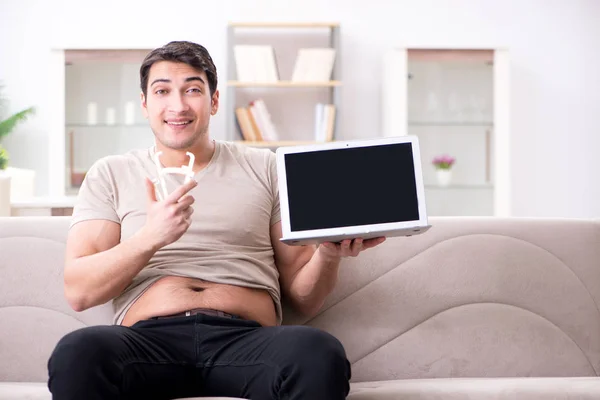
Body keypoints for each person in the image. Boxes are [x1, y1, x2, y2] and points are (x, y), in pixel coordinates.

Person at [47, 40, 386, 400]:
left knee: (318, 352)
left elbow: (304, 299)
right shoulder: (111, 173)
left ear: (214, 100)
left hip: (247, 340)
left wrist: (328, 254)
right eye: (162, 91)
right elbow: (79, 292)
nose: (177, 105)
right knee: (77, 352)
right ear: (145, 103)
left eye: (192, 89)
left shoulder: (267, 168)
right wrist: (150, 238)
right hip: (147, 344)